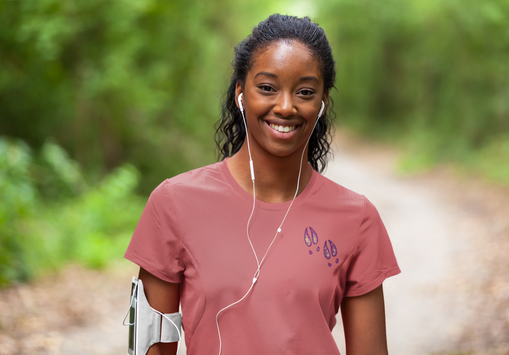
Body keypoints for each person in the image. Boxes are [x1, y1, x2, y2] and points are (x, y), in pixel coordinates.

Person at [125, 14, 400, 355]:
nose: (286, 107)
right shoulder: (173, 203)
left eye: (305, 92)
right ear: (241, 92)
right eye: (267, 88)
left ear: (322, 102)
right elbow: (148, 349)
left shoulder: (357, 218)